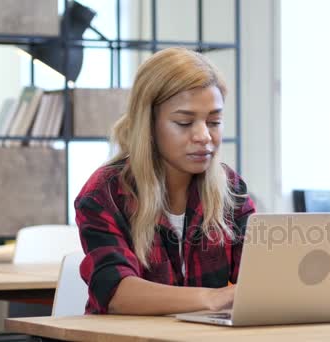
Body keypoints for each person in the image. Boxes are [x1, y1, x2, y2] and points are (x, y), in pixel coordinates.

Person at [74, 47, 256, 315]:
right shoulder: (105, 192)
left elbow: (260, 279)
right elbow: (117, 293)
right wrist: (215, 299)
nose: (204, 136)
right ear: (148, 124)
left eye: (214, 121)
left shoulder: (231, 188)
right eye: (184, 122)